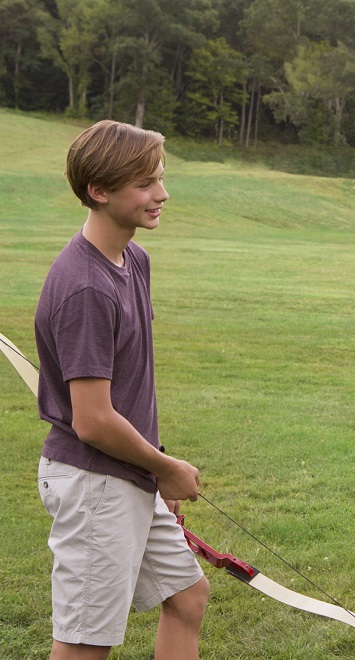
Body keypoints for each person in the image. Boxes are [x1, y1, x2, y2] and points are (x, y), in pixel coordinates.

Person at [34, 120, 209, 659]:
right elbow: (92, 420)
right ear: (99, 190)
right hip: (95, 485)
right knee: (86, 644)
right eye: (145, 183)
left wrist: (152, 470)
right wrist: (165, 467)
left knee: (186, 597)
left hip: (126, 475)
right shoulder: (85, 287)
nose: (162, 194)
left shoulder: (134, 260)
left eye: (160, 179)